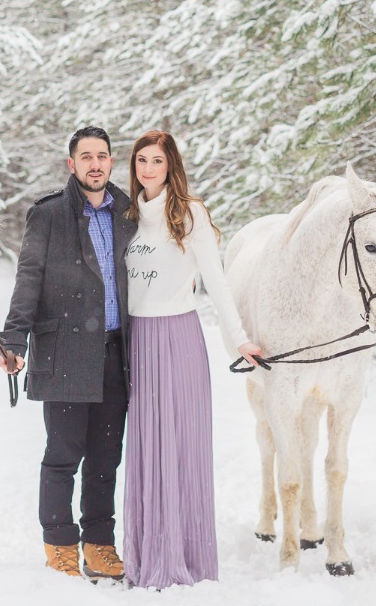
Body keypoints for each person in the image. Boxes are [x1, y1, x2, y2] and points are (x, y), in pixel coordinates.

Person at [121, 130, 262, 589]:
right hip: (137, 341)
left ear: (171, 166)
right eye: (141, 160)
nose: (147, 169)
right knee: (146, 449)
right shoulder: (124, 215)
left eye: (156, 161)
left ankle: (185, 557)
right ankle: (147, 556)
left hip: (179, 338)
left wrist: (239, 339)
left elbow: (217, 284)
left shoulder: (189, 213)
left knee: (180, 448)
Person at [0, 126, 136, 581]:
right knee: (63, 454)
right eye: (86, 156)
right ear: (71, 164)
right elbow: (29, 278)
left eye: (102, 156)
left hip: (116, 353)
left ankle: (99, 545)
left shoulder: (129, 214)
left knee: (105, 457)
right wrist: (14, 338)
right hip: (65, 352)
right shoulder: (50, 214)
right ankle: (59, 544)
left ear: (111, 163)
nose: (95, 164)